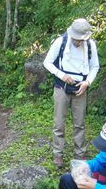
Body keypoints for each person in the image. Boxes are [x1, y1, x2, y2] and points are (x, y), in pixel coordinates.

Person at [43, 18, 100, 168]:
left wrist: (87, 82)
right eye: (76, 39)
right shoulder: (60, 42)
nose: (78, 42)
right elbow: (47, 62)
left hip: (81, 87)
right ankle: (58, 154)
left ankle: (80, 153)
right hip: (61, 86)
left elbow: (95, 66)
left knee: (79, 123)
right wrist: (61, 75)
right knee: (59, 123)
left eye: (81, 39)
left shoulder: (90, 45)